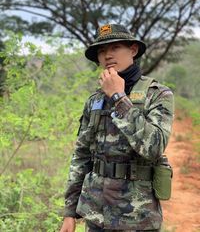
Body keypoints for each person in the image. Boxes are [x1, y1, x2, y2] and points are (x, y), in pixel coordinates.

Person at [59, 24, 174, 232]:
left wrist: (118, 97)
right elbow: (81, 156)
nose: (107, 55)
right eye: (102, 51)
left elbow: (154, 147)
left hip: (137, 216)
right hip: (95, 213)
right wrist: (70, 213)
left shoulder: (158, 94)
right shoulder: (94, 100)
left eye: (115, 47)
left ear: (133, 50)